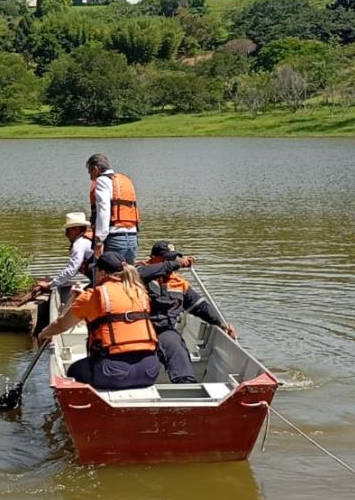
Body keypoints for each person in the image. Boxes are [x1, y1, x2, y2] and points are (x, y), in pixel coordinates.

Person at [36, 250, 159, 391]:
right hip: (149, 370)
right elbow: (116, 309)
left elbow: (62, 324)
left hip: (113, 373)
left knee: (74, 371)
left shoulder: (92, 296)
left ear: (102, 273)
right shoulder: (141, 292)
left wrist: (43, 334)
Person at [136, 240, 236, 384]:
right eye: (167, 258)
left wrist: (222, 325)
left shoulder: (179, 283)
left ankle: (186, 386)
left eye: (173, 258)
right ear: (154, 258)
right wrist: (176, 264)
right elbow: (140, 273)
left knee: (177, 348)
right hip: (137, 329)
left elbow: (200, 307)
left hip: (163, 330)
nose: (171, 261)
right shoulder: (137, 272)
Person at [86, 152, 139, 264]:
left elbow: (103, 211)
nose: (91, 177)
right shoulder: (126, 181)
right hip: (133, 237)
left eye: (90, 172)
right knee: (126, 278)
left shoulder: (102, 181)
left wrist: (99, 240)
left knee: (104, 276)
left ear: (95, 169)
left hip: (114, 238)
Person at [34, 213, 94, 305]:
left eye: (68, 230)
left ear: (76, 229)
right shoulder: (86, 240)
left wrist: (50, 285)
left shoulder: (80, 244)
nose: (66, 234)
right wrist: (55, 281)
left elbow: (72, 270)